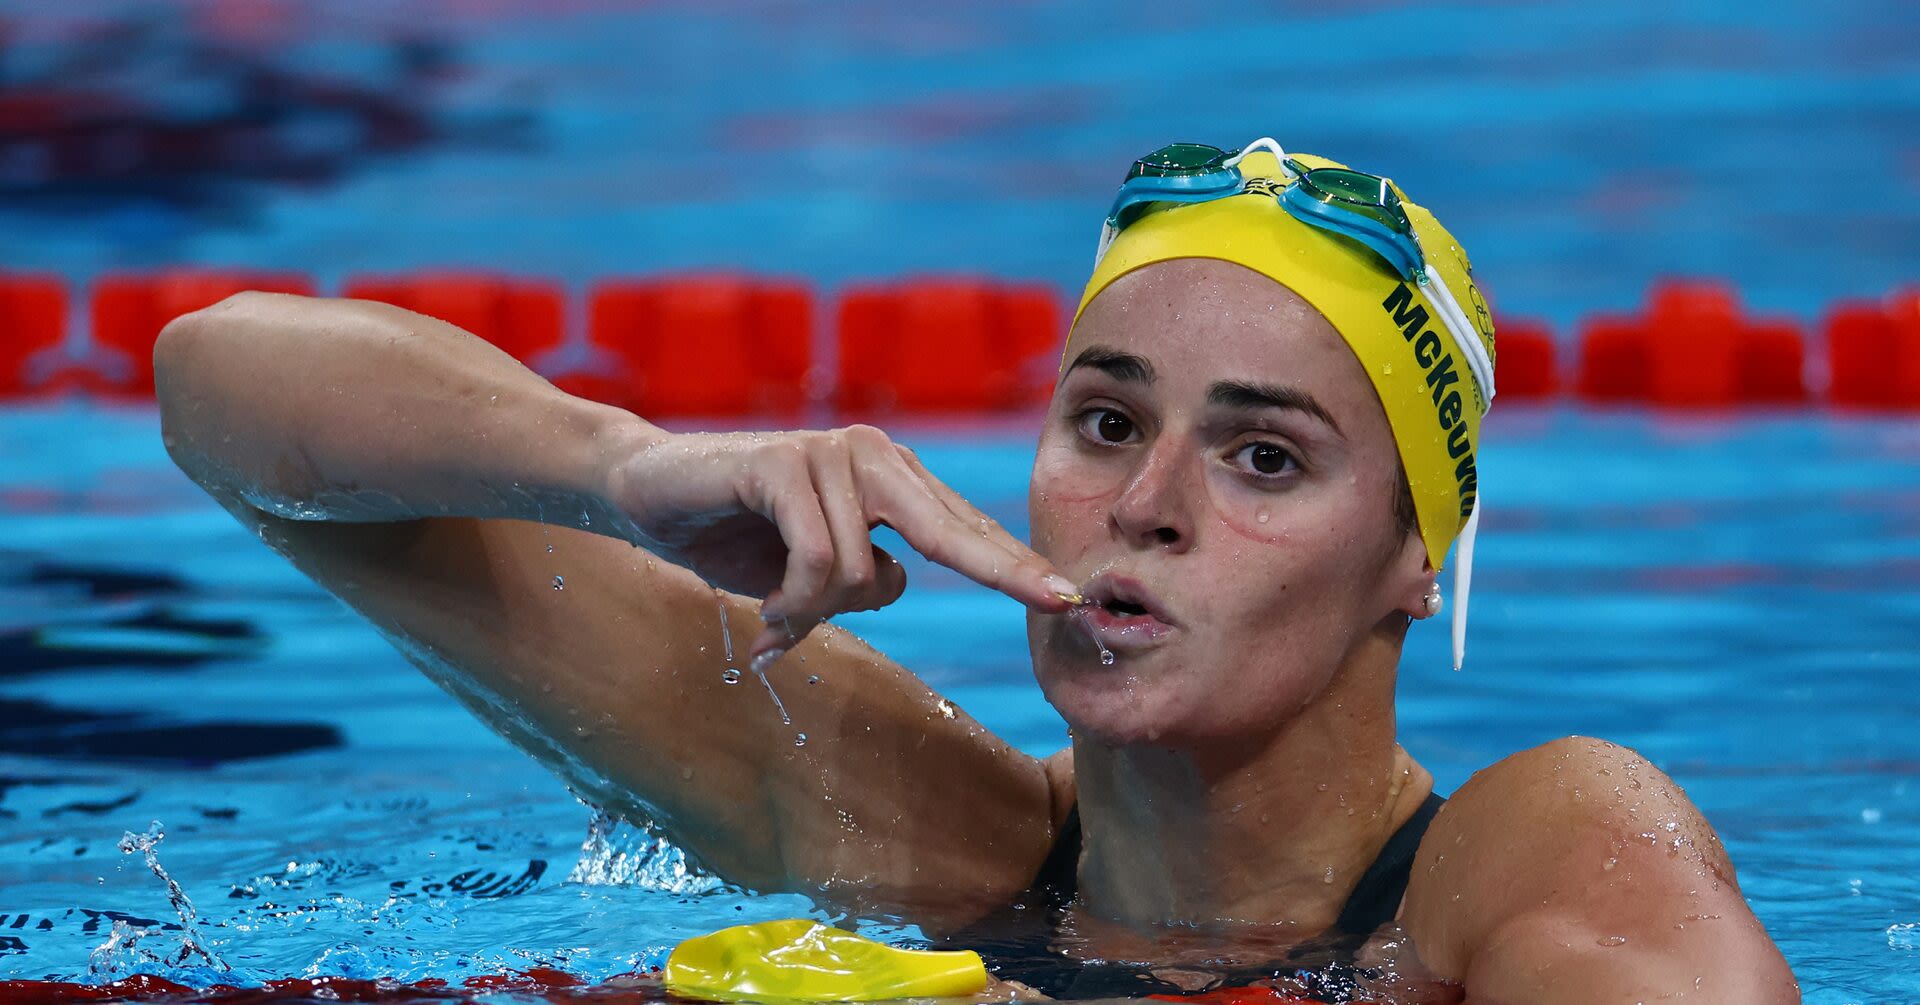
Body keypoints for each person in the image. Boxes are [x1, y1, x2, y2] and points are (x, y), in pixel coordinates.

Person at [152, 140, 1797, 1003]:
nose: (1143, 504)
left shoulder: (1522, 852)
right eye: (1103, 420)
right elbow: (221, 388)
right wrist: (622, 473)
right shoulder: (901, 818)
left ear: (1409, 566)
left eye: (1264, 455)